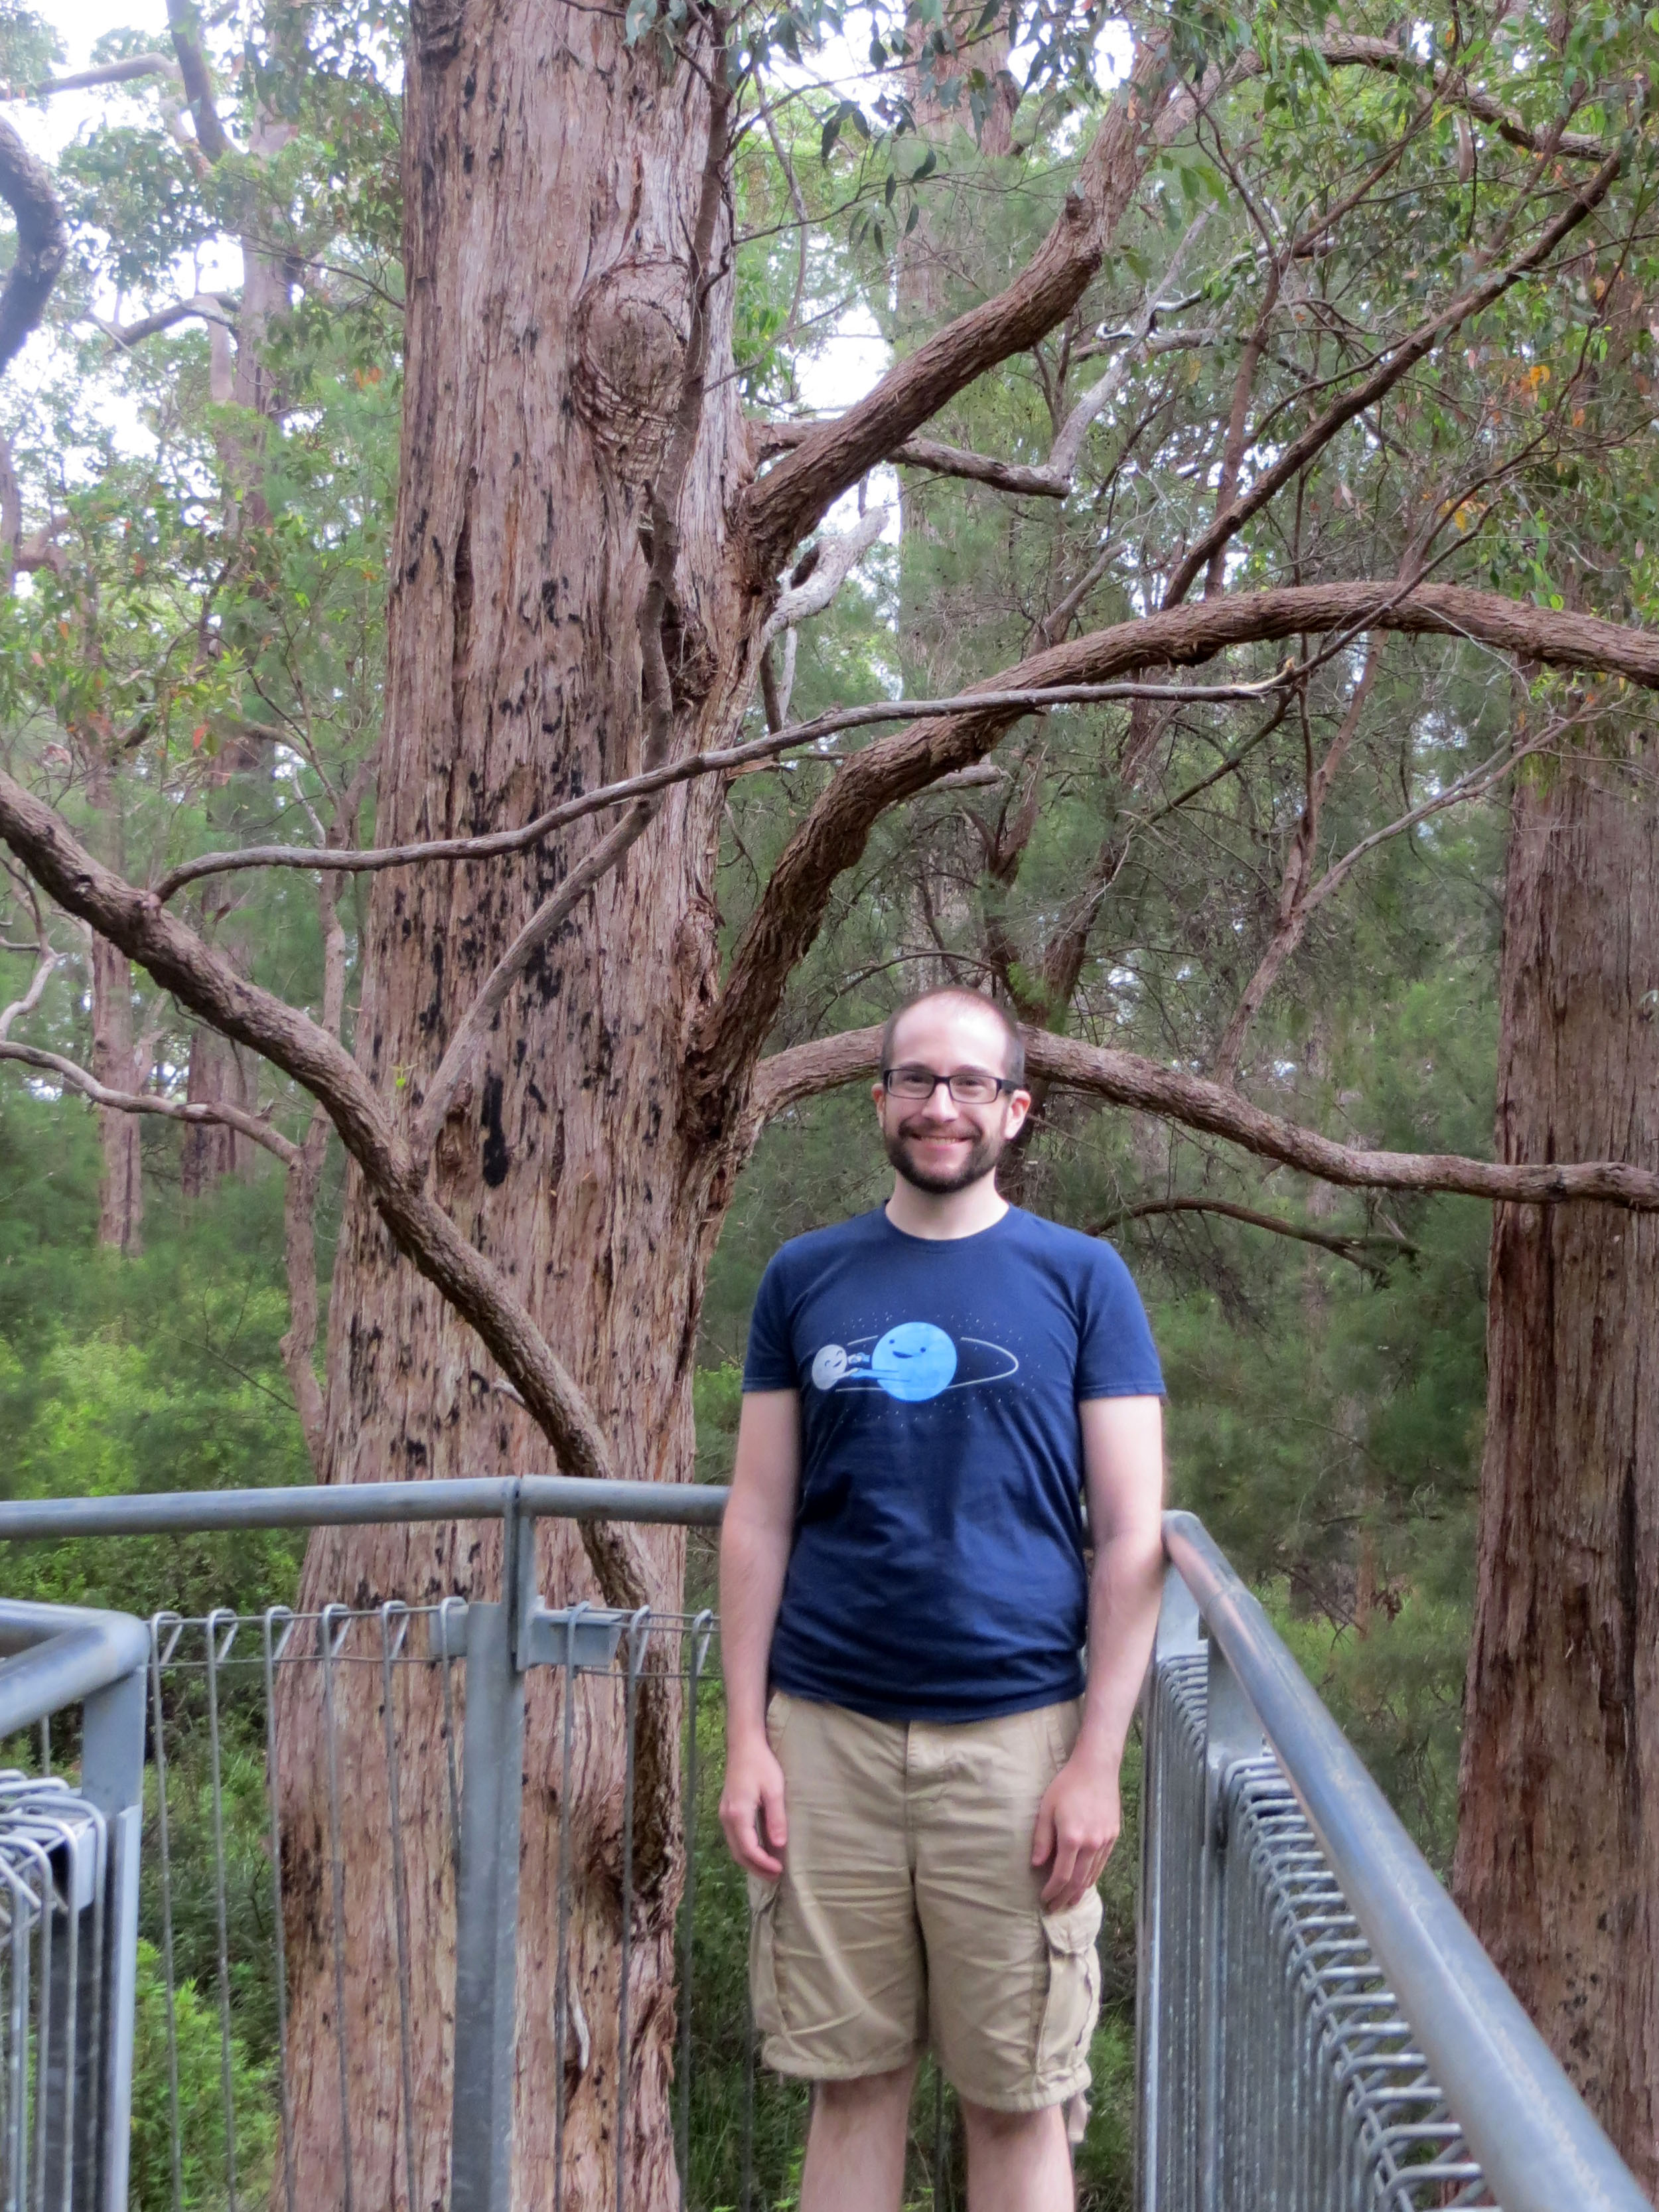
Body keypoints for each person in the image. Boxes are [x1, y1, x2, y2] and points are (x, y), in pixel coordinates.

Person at [717, 986, 1165, 2212]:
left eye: (972, 1084)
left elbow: (1132, 1539)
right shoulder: (804, 1276)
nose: (941, 1106)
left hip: (1018, 1747)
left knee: (1017, 2099)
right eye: (917, 1079)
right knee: (849, 2085)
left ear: (1015, 1110)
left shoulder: (1083, 1280)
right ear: (880, 1100)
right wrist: (747, 1737)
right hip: (826, 1744)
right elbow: (757, 1515)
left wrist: (1096, 1762)